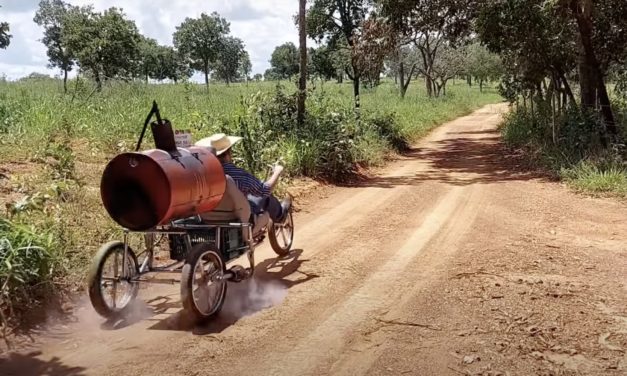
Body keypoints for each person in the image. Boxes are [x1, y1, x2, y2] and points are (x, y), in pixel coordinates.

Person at [195, 133, 291, 223]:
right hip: (237, 217)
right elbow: (265, 189)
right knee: (266, 197)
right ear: (229, 153)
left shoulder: (202, 175)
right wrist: (277, 172)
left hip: (208, 218)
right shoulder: (239, 175)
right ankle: (280, 216)